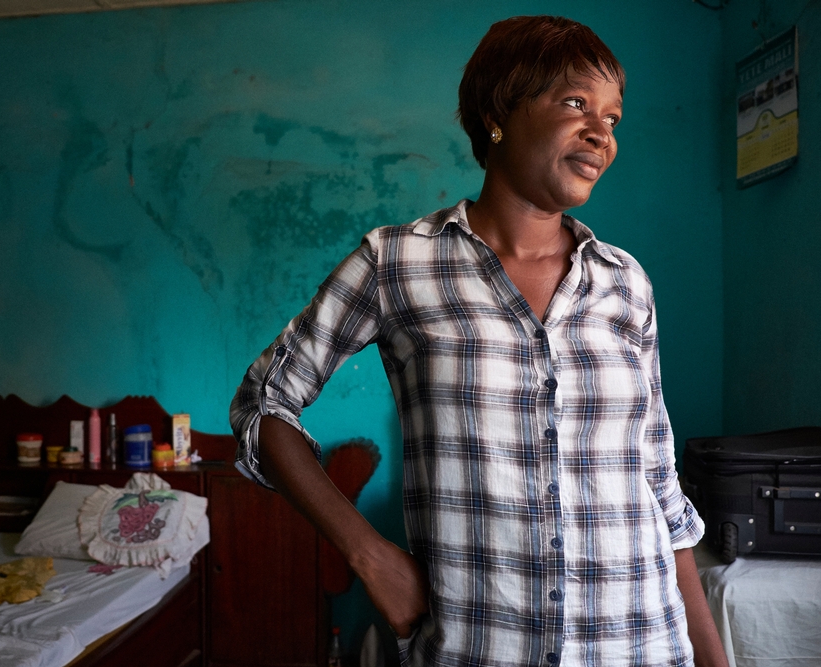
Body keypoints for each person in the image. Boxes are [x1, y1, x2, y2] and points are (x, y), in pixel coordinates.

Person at [230, 15, 728, 667]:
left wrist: (714, 658)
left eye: (612, 117)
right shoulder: (396, 263)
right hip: (474, 648)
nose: (601, 133)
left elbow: (658, 485)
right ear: (498, 113)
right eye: (575, 103)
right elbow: (264, 403)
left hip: (640, 644)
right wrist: (367, 552)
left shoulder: (624, 281)